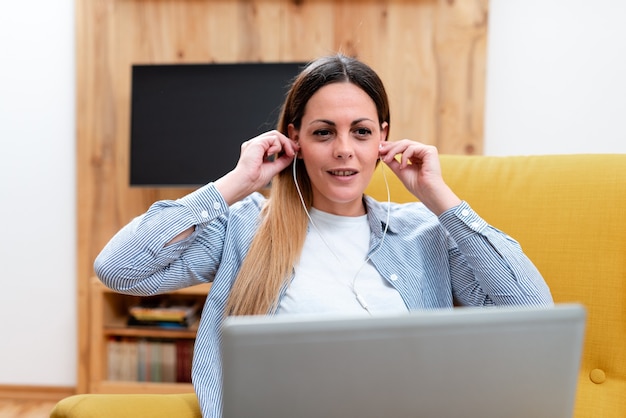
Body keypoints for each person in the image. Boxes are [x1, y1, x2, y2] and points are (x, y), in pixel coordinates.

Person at [94, 54, 553, 417]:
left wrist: (441, 199)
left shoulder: (424, 233)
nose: (343, 150)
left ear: (383, 139)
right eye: (323, 132)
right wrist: (235, 184)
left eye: (361, 132)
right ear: (294, 138)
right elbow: (119, 268)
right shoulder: (246, 226)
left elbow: (531, 312)